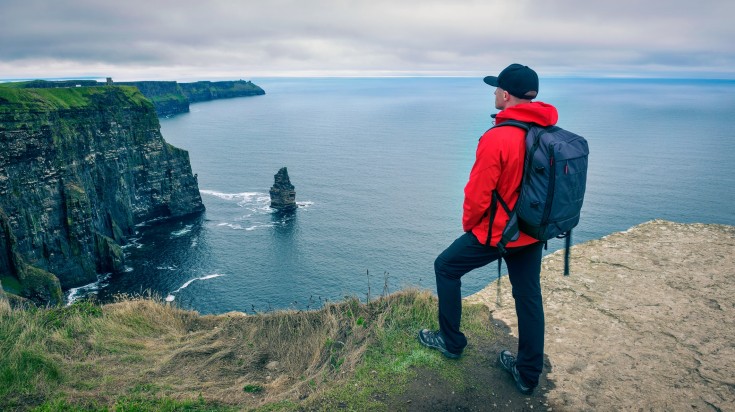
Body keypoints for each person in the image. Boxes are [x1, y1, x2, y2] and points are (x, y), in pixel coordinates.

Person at [418, 63, 558, 395]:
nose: (494, 92)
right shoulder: (548, 134)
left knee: (446, 267)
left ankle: (451, 342)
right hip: (533, 231)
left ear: (506, 95)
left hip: (498, 233)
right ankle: (527, 374)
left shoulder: (499, 137)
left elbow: (478, 193)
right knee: (528, 297)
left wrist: (471, 226)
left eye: (497, 88)